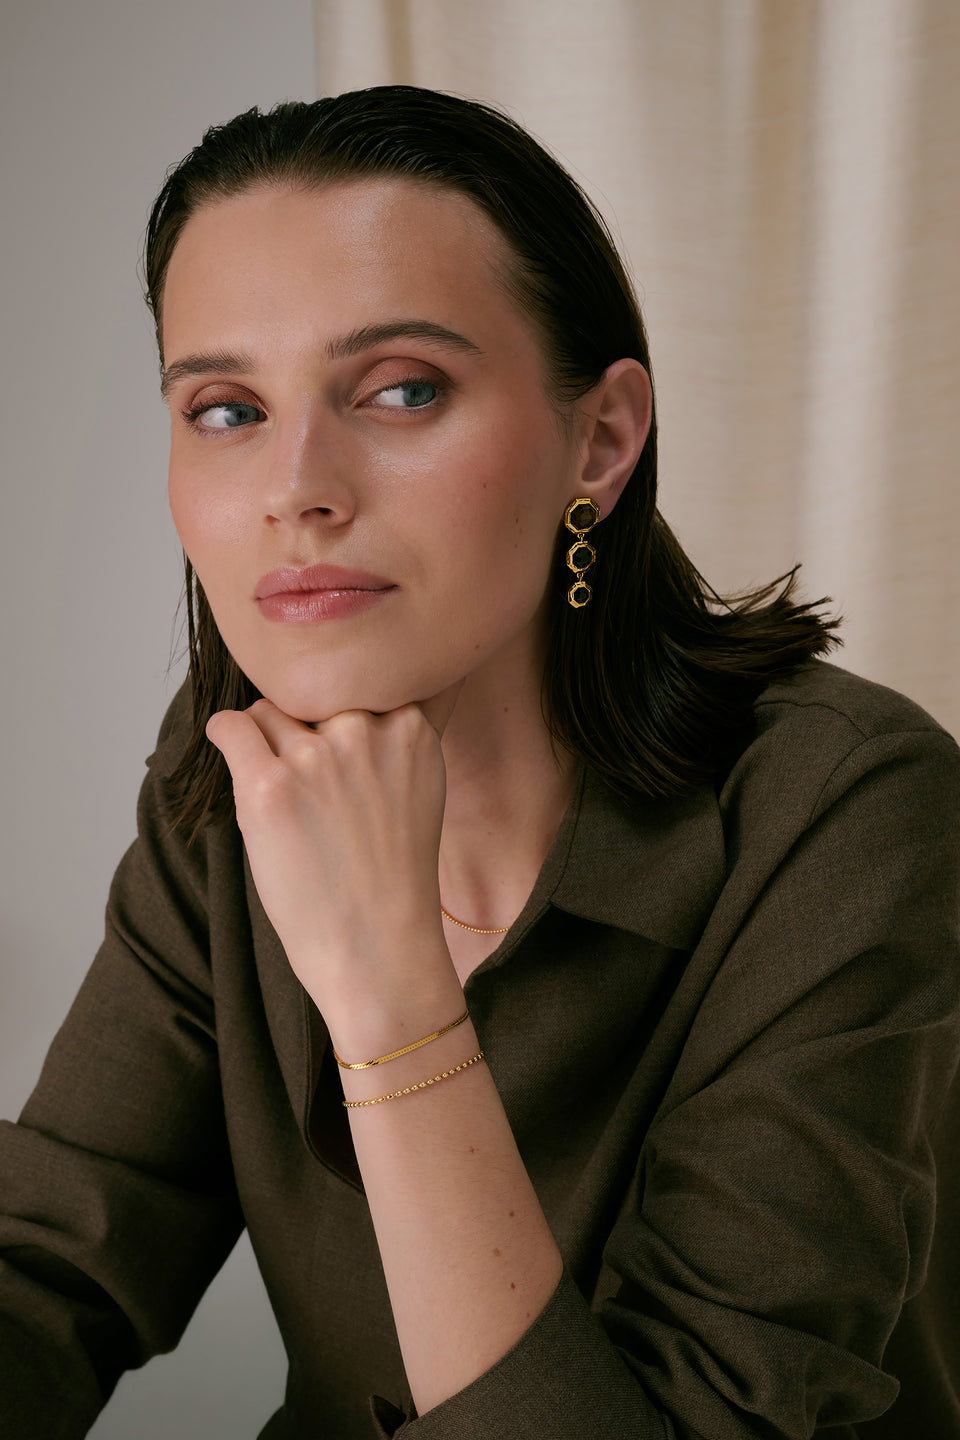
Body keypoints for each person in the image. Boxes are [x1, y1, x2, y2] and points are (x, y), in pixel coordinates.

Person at [1, 85, 958, 1440]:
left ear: (601, 441)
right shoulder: (231, 779)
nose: (299, 487)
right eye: (225, 408)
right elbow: (50, 1257)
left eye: (402, 389)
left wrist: (394, 1003)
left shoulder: (849, 811)